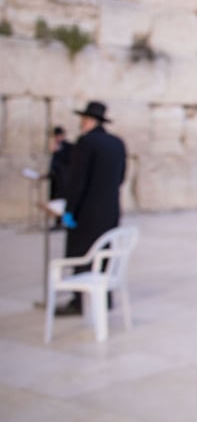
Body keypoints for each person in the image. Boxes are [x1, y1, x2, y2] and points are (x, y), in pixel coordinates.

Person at [58, 100, 127, 316]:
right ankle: (105, 298)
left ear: (89, 120)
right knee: (104, 253)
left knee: (80, 254)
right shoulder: (117, 143)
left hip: (86, 212)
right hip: (111, 210)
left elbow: (77, 181)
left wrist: (69, 210)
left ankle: (78, 301)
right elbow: (121, 177)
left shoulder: (86, 143)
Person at [45, 125, 73, 229]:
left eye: (59, 135)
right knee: (56, 202)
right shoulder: (56, 147)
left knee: (66, 203)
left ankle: (68, 222)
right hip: (56, 180)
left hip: (65, 181)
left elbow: (69, 163)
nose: (57, 138)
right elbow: (54, 164)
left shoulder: (69, 147)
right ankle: (57, 223)